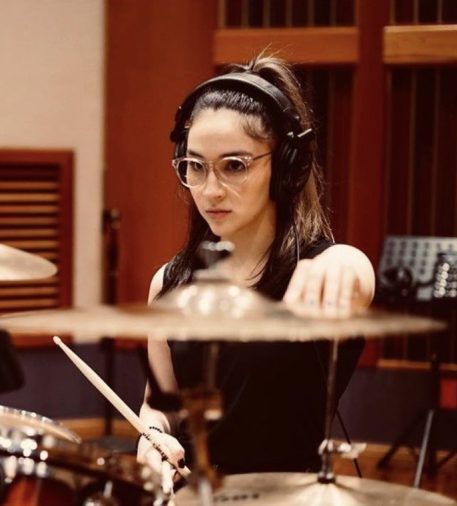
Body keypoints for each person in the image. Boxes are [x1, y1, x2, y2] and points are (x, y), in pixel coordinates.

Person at [136, 53, 375, 479]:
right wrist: (152, 435)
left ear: (285, 167)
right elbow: (159, 405)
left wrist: (344, 265)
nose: (210, 190)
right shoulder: (168, 285)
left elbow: (354, 272)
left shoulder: (324, 268)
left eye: (234, 166)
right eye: (195, 167)